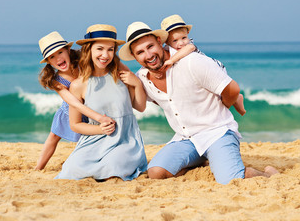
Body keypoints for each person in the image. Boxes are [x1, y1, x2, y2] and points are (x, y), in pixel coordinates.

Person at [118, 21, 278, 184]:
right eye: (140, 52)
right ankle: (203, 159)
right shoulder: (143, 78)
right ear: (135, 57)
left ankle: (266, 174)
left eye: (150, 46)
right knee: (156, 172)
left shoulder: (191, 62)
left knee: (229, 181)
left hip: (217, 133)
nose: (148, 55)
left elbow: (233, 89)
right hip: (186, 139)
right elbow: (159, 102)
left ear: (159, 42)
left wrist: (221, 108)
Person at [55, 24, 147, 181]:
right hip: (94, 141)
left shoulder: (121, 75)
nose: (105, 55)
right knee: (72, 168)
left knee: (113, 167)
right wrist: (100, 129)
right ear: (89, 49)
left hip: (125, 141)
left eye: (110, 49)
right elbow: (75, 125)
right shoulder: (78, 85)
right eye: (100, 49)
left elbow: (140, 106)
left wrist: (137, 83)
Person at [35, 31, 115, 170]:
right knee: (54, 136)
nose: (58, 59)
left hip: (92, 105)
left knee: (90, 139)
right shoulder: (57, 81)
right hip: (71, 110)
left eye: (60, 52)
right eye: (52, 57)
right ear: (48, 62)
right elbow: (74, 103)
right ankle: (38, 167)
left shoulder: (81, 63)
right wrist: (97, 117)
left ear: (68, 50)